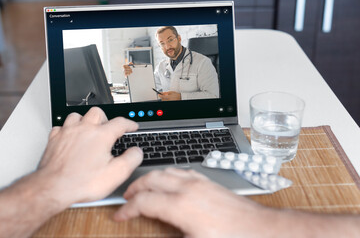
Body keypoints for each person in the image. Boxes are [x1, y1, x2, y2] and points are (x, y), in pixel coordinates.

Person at [1, 107, 360, 237]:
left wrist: (261, 226)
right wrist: (48, 186)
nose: (166, 45)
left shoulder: (200, 62)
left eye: (170, 39)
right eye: (163, 41)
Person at [123, 26, 220, 101]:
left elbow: (213, 95)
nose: (167, 46)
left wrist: (181, 97)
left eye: (170, 40)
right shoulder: (161, 67)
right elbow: (150, 91)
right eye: (162, 43)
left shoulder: (202, 62)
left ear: (179, 38)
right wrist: (133, 75)